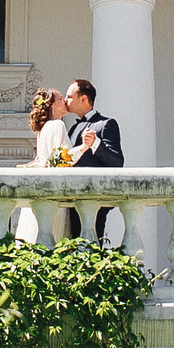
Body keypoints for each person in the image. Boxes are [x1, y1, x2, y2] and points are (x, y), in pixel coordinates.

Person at [66, 78, 123, 241]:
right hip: (72, 198)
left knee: (92, 247)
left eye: (70, 96)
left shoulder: (106, 124)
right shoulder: (73, 128)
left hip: (94, 198)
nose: (65, 100)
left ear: (83, 99)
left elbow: (117, 162)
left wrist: (95, 144)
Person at [13, 88, 69, 242]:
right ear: (51, 105)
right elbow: (60, 160)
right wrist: (83, 148)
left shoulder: (43, 129)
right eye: (60, 98)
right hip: (54, 189)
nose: (64, 101)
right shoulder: (58, 125)